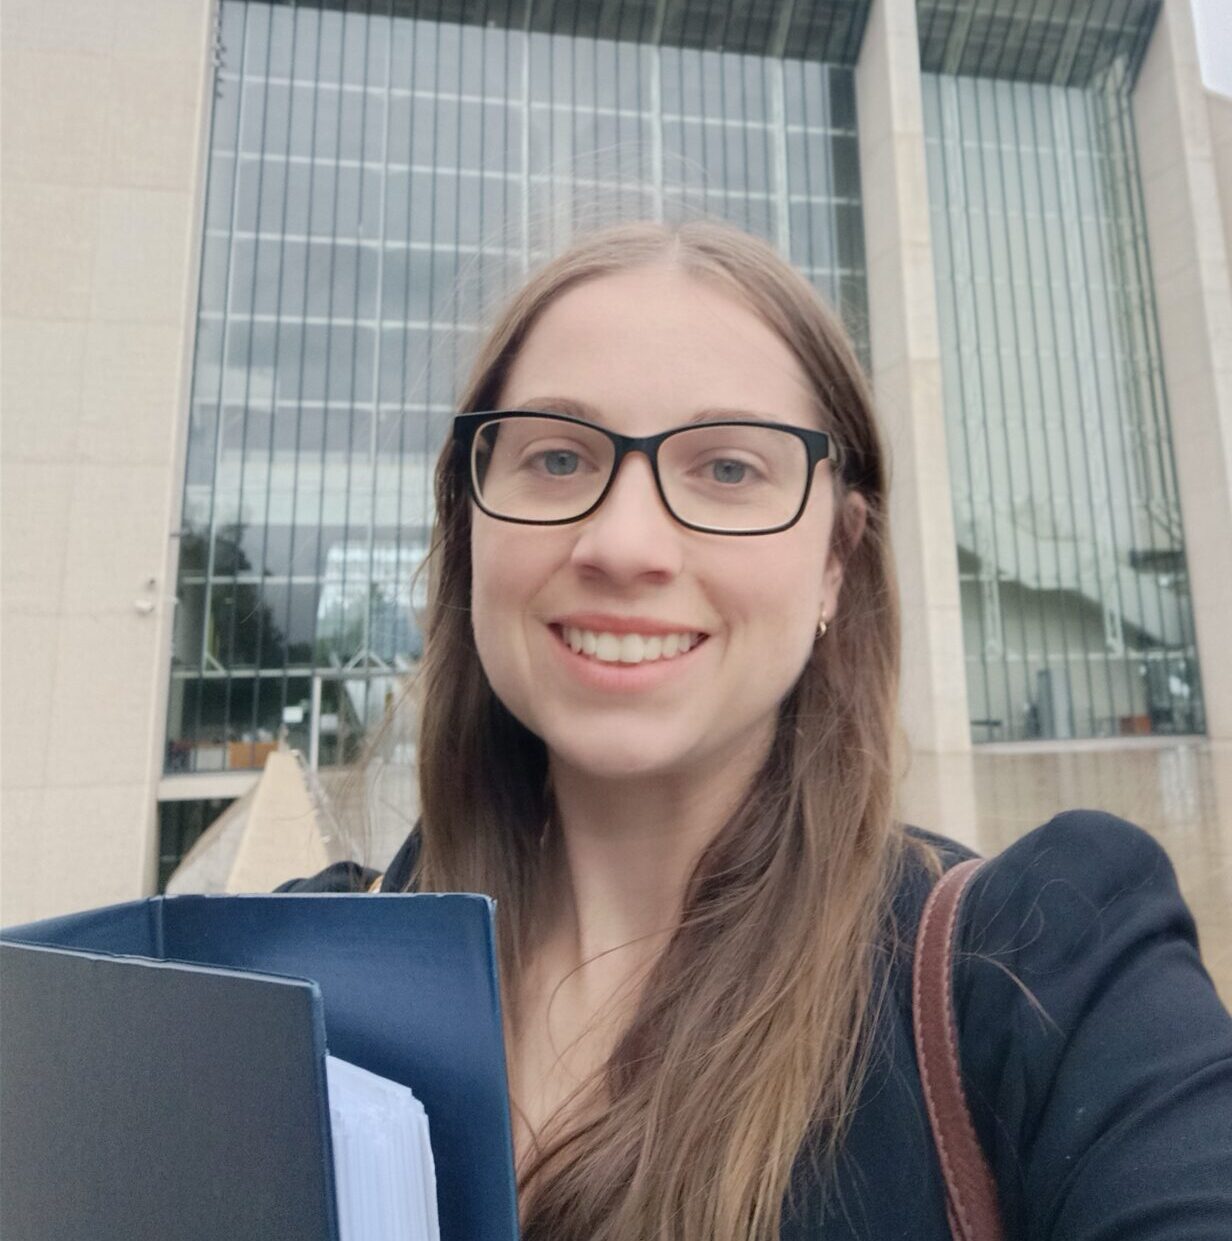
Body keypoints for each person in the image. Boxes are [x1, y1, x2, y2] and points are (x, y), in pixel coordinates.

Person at [282, 220, 1232, 1240]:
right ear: (469, 524)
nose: (623, 542)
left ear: (835, 559)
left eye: (727, 469)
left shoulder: (1045, 972)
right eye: (556, 456)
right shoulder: (297, 980)